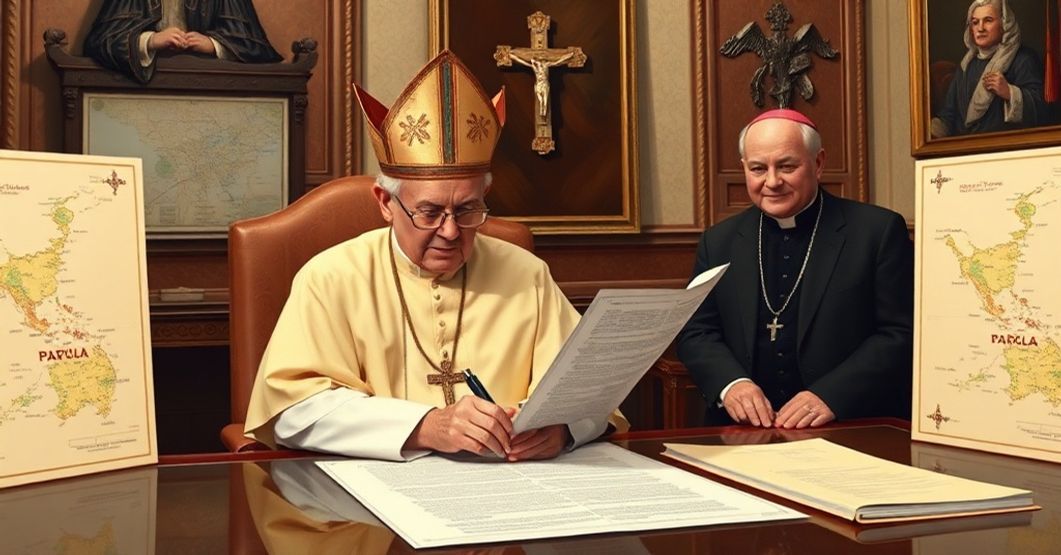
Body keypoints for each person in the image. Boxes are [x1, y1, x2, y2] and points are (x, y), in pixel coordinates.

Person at [244, 50, 627, 461]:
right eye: (429, 212)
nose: (449, 231)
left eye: (467, 210)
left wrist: (563, 430)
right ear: (385, 203)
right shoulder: (330, 278)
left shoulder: (526, 274)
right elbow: (292, 413)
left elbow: (593, 392)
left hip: (510, 492)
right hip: (377, 504)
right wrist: (425, 426)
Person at [676, 109, 913, 429]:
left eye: (787, 166)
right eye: (758, 168)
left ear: (818, 163)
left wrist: (831, 395)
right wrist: (732, 386)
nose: (772, 182)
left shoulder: (877, 231)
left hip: (848, 424)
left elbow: (899, 333)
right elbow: (696, 331)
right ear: (744, 168)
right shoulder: (719, 241)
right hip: (742, 430)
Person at [83, 0, 282, 83]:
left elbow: (255, 46)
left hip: (206, 84)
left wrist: (213, 45)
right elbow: (100, 41)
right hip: (148, 86)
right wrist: (150, 41)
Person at [931, 0, 1047, 137]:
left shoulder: (1023, 59)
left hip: (1007, 147)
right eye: (975, 22)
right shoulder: (966, 66)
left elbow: (1042, 110)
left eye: (988, 20)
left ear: (1004, 24)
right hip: (965, 149)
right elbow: (948, 116)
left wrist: (1009, 92)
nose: (980, 28)